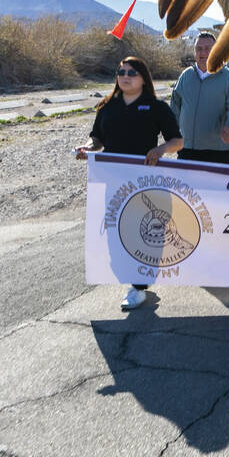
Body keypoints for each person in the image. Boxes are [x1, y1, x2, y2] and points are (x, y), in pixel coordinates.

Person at [75, 57, 183, 310]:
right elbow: (98, 141)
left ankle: (138, 287)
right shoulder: (106, 108)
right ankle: (137, 282)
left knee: (143, 236)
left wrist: (160, 149)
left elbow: (177, 141)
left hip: (146, 183)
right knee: (116, 236)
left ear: (144, 78)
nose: (125, 76)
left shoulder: (156, 107)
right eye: (120, 71)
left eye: (132, 72)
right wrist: (87, 149)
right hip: (114, 183)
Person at [170, 31, 229, 164]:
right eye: (199, 49)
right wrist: (172, 132)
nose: (203, 53)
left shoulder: (228, 78)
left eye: (208, 49)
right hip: (187, 148)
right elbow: (174, 106)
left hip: (218, 151)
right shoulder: (186, 76)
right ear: (194, 51)